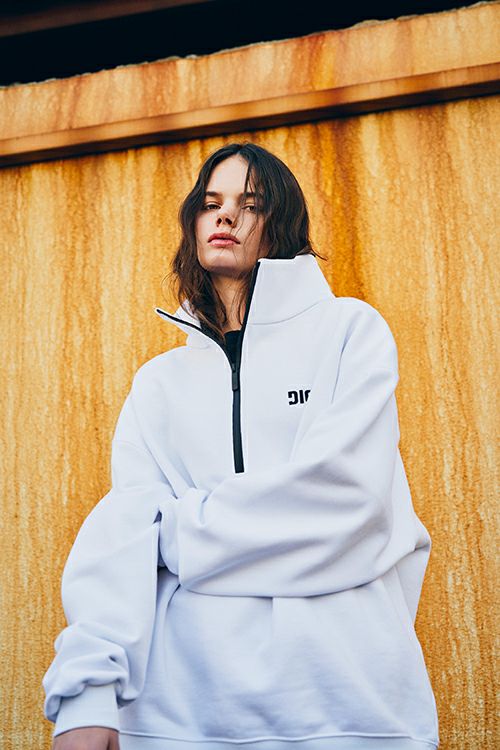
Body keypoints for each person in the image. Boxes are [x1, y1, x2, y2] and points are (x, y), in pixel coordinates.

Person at [43, 142, 440, 750]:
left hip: (348, 706)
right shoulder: (158, 384)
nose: (225, 215)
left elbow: (345, 504)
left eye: (249, 204)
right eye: (211, 203)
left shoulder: (349, 333)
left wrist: (175, 534)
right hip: (178, 718)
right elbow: (124, 536)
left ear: (281, 226)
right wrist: (87, 696)